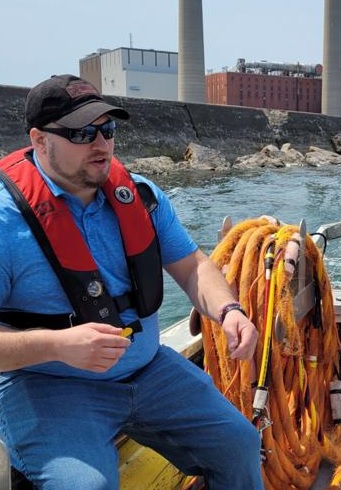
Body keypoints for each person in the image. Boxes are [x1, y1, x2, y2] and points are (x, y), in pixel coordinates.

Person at [0, 74, 264, 489]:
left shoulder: (141, 196)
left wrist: (229, 311)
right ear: (39, 139)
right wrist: (57, 346)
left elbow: (193, 265)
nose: (101, 144)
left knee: (240, 444)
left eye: (108, 129)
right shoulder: (4, 223)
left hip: (148, 369)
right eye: (82, 132)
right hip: (49, 385)